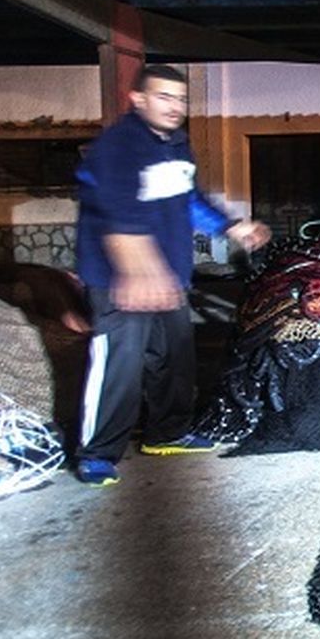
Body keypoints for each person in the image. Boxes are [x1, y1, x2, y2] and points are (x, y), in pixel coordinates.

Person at [72, 64, 271, 486]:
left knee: (175, 357)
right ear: (138, 99)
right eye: (164, 97)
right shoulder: (117, 147)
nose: (175, 106)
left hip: (169, 276)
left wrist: (232, 227)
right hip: (118, 281)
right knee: (119, 366)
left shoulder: (178, 145)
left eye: (180, 98)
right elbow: (116, 214)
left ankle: (168, 432)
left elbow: (188, 199)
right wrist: (135, 271)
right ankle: (97, 453)